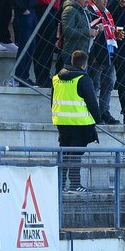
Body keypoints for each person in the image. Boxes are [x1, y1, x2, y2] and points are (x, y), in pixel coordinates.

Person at [52, 50, 101, 193]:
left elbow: (53, 100)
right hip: (79, 122)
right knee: (75, 155)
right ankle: (74, 185)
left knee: (64, 152)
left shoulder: (56, 78)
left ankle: (60, 184)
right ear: (84, 64)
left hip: (61, 120)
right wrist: (98, 119)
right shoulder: (83, 79)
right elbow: (92, 102)